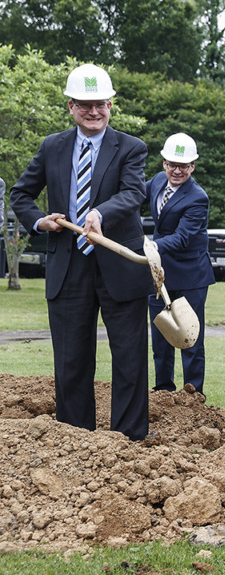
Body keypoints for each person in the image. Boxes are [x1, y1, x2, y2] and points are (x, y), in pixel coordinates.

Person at [11, 64, 154, 440]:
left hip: (118, 264)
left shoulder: (131, 147)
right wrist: (41, 221)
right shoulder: (52, 147)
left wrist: (98, 212)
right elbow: (21, 194)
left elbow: (134, 193)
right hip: (68, 265)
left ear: (110, 106)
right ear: (71, 107)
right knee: (71, 361)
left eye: (101, 105)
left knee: (129, 359)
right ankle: (75, 442)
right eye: (85, 105)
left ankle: (128, 441)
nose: (94, 112)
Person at [146, 133, 215, 395]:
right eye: (172, 164)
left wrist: (152, 246)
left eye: (183, 166)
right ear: (163, 162)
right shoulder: (155, 182)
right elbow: (132, 199)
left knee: (190, 336)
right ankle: (163, 390)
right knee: (161, 335)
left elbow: (183, 238)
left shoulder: (198, 197)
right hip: (158, 275)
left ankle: (193, 393)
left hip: (190, 277)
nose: (177, 170)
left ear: (192, 166)